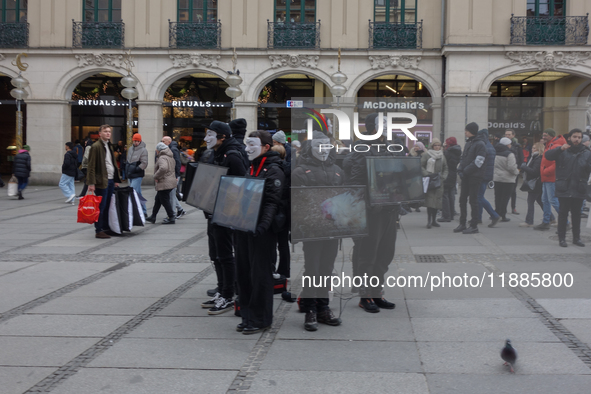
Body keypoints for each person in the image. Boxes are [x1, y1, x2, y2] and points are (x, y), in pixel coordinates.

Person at [343, 113, 398, 313]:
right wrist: (368, 202)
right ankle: (364, 295)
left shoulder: (390, 146)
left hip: (389, 209)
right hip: (370, 211)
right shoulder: (361, 148)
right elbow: (355, 182)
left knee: (385, 253)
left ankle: (377, 292)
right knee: (368, 254)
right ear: (373, 127)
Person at [234, 130, 285, 334]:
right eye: (247, 145)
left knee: (260, 275)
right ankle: (247, 314)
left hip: (262, 232)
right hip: (245, 228)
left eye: (252, 145)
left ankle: (261, 318)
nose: (247, 149)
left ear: (265, 147)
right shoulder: (252, 166)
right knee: (244, 272)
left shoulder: (273, 170)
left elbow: (272, 202)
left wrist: (262, 226)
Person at [292, 131, 343, 331]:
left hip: (331, 228)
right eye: (318, 147)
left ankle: (323, 307)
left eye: (326, 146)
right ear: (310, 149)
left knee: (327, 269)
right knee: (312, 268)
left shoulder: (338, 169)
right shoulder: (299, 171)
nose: (323, 151)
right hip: (311, 230)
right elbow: (297, 202)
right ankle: (310, 309)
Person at [200, 121, 249, 315]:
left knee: (225, 254)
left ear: (222, 136)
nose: (206, 138)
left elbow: (241, 186)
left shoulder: (233, 155)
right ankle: (222, 289)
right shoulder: (218, 153)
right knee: (216, 253)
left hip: (226, 213)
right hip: (214, 212)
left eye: (210, 134)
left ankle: (228, 294)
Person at [545, 128, 591, 247]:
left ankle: (576, 238)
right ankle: (562, 238)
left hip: (579, 186)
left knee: (576, 215)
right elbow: (548, 156)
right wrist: (560, 149)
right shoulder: (562, 150)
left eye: (579, 137)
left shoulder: (586, 152)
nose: (577, 139)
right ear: (569, 138)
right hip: (564, 187)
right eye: (575, 137)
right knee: (563, 214)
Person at [86, 125, 122, 239]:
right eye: (105, 131)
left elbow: (112, 164)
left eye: (109, 132)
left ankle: (106, 228)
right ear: (100, 133)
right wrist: (91, 183)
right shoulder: (96, 146)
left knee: (107, 206)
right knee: (101, 206)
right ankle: (99, 230)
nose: (108, 133)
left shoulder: (109, 145)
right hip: (101, 181)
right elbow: (91, 166)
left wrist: (116, 179)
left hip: (110, 180)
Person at [455, 122, 487, 234]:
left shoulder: (480, 144)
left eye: (467, 130)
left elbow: (478, 162)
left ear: (472, 131)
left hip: (475, 176)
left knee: (473, 201)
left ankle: (474, 225)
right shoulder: (469, 143)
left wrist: (465, 171)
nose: (465, 132)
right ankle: (462, 223)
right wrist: (460, 169)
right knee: (462, 199)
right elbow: (464, 158)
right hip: (466, 175)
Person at [535, 129, 566, 230]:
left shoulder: (555, 146)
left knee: (553, 200)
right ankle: (546, 221)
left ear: (551, 136)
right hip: (547, 177)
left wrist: (545, 171)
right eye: (543, 135)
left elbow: (556, 164)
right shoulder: (550, 145)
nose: (543, 137)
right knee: (545, 200)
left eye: (545, 135)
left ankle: (566, 222)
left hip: (550, 178)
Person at [270, 143, 291, 279]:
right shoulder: (289, 168)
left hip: (276, 209)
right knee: (283, 244)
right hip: (286, 210)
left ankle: (271, 269)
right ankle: (284, 271)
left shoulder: (274, 169)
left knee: (272, 242)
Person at [145, 142, 177, 225]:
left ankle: (171, 217)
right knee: (158, 199)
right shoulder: (170, 156)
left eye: (156, 150)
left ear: (159, 150)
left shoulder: (162, 157)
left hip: (165, 182)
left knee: (164, 200)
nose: (156, 151)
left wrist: (156, 176)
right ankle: (153, 216)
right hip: (169, 181)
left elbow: (163, 168)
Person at [476, 129, 501, 228]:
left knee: (479, 197)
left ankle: (494, 215)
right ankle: (478, 217)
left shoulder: (484, 146)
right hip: (487, 174)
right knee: (479, 196)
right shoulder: (489, 145)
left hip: (482, 174)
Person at [421, 138, 448, 228]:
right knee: (430, 202)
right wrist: (427, 174)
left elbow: (445, 168)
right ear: (432, 146)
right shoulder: (427, 155)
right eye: (435, 145)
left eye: (439, 145)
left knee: (436, 202)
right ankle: (429, 221)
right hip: (430, 181)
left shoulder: (442, 156)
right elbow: (421, 166)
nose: (437, 147)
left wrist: (443, 177)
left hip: (439, 181)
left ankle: (434, 220)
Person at [493, 137, 519, 222]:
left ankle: (496, 213)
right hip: (508, 179)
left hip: (497, 177)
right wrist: (516, 172)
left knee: (498, 197)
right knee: (505, 197)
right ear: (507, 144)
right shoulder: (509, 154)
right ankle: (502, 214)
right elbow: (511, 167)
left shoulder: (495, 152)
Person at [519, 142, 545, 227]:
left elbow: (535, 172)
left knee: (530, 202)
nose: (532, 149)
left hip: (535, 184)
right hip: (537, 184)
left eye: (534, 148)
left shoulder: (538, 159)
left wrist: (524, 167)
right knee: (540, 201)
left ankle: (529, 221)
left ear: (538, 149)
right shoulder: (534, 157)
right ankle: (551, 218)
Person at [161, 136, 186, 218]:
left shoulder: (173, 149)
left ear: (169, 141)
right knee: (171, 195)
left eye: (164, 141)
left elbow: (177, 163)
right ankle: (179, 210)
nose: (162, 142)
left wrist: (175, 175)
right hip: (172, 175)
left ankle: (172, 214)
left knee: (171, 195)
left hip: (173, 176)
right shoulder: (170, 148)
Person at [126, 133, 149, 216]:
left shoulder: (143, 150)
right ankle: (143, 210)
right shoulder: (130, 149)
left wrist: (136, 169)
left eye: (137, 141)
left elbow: (144, 163)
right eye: (135, 141)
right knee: (138, 193)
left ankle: (131, 210)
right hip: (131, 173)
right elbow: (128, 160)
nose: (136, 142)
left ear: (140, 141)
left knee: (132, 191)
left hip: (137, 174)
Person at [439, 137, 461, 222]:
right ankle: (451, 214)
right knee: (451, 195)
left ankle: (446, 215)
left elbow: (443, 163)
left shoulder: (447, 152)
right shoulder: (457, 151)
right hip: (453, 174)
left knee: (445, 195)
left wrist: (444, 149)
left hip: (447, 174)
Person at [505, 130, 524, 214]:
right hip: (504, 171)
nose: (507, 136)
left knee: (513, 190)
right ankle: (503, 208)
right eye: (506, 134)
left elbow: (521, 158)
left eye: (509, 134)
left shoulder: (517, 146)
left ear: (513, 135)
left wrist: (518, 169)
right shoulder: (501, 145)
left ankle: (513, 207)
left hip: (514, 170)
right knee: (503, 191)